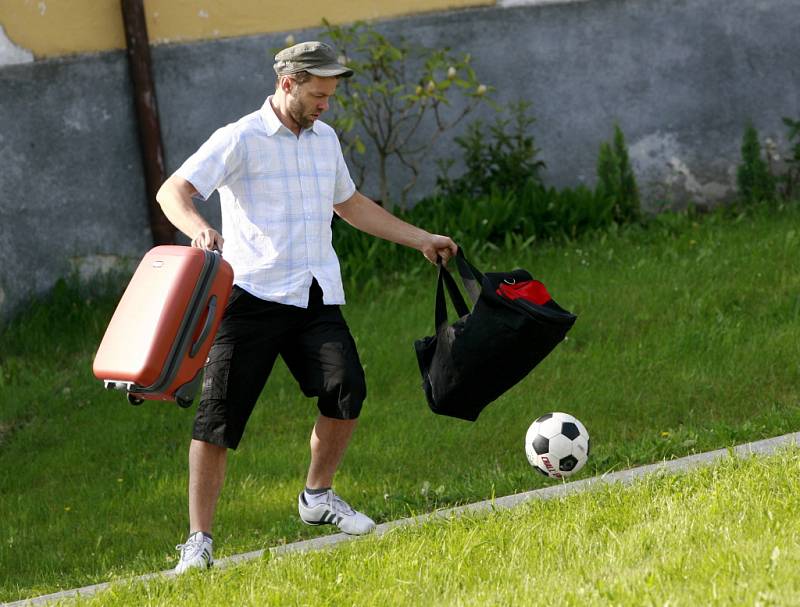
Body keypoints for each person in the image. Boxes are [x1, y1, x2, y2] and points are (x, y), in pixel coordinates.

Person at [156, 40, 458, 574]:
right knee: (218, 420)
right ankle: (198, 541)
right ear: (288, 83)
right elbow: (172, 191)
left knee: (347, 390)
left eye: (331, 96)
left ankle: (316, 497)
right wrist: (200, 227)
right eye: (318, 95)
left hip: (315, 293)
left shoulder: (325, 140)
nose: (325, 105)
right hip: (249, 296)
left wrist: (420, 239)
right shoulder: (240, 138)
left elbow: (350, 204)